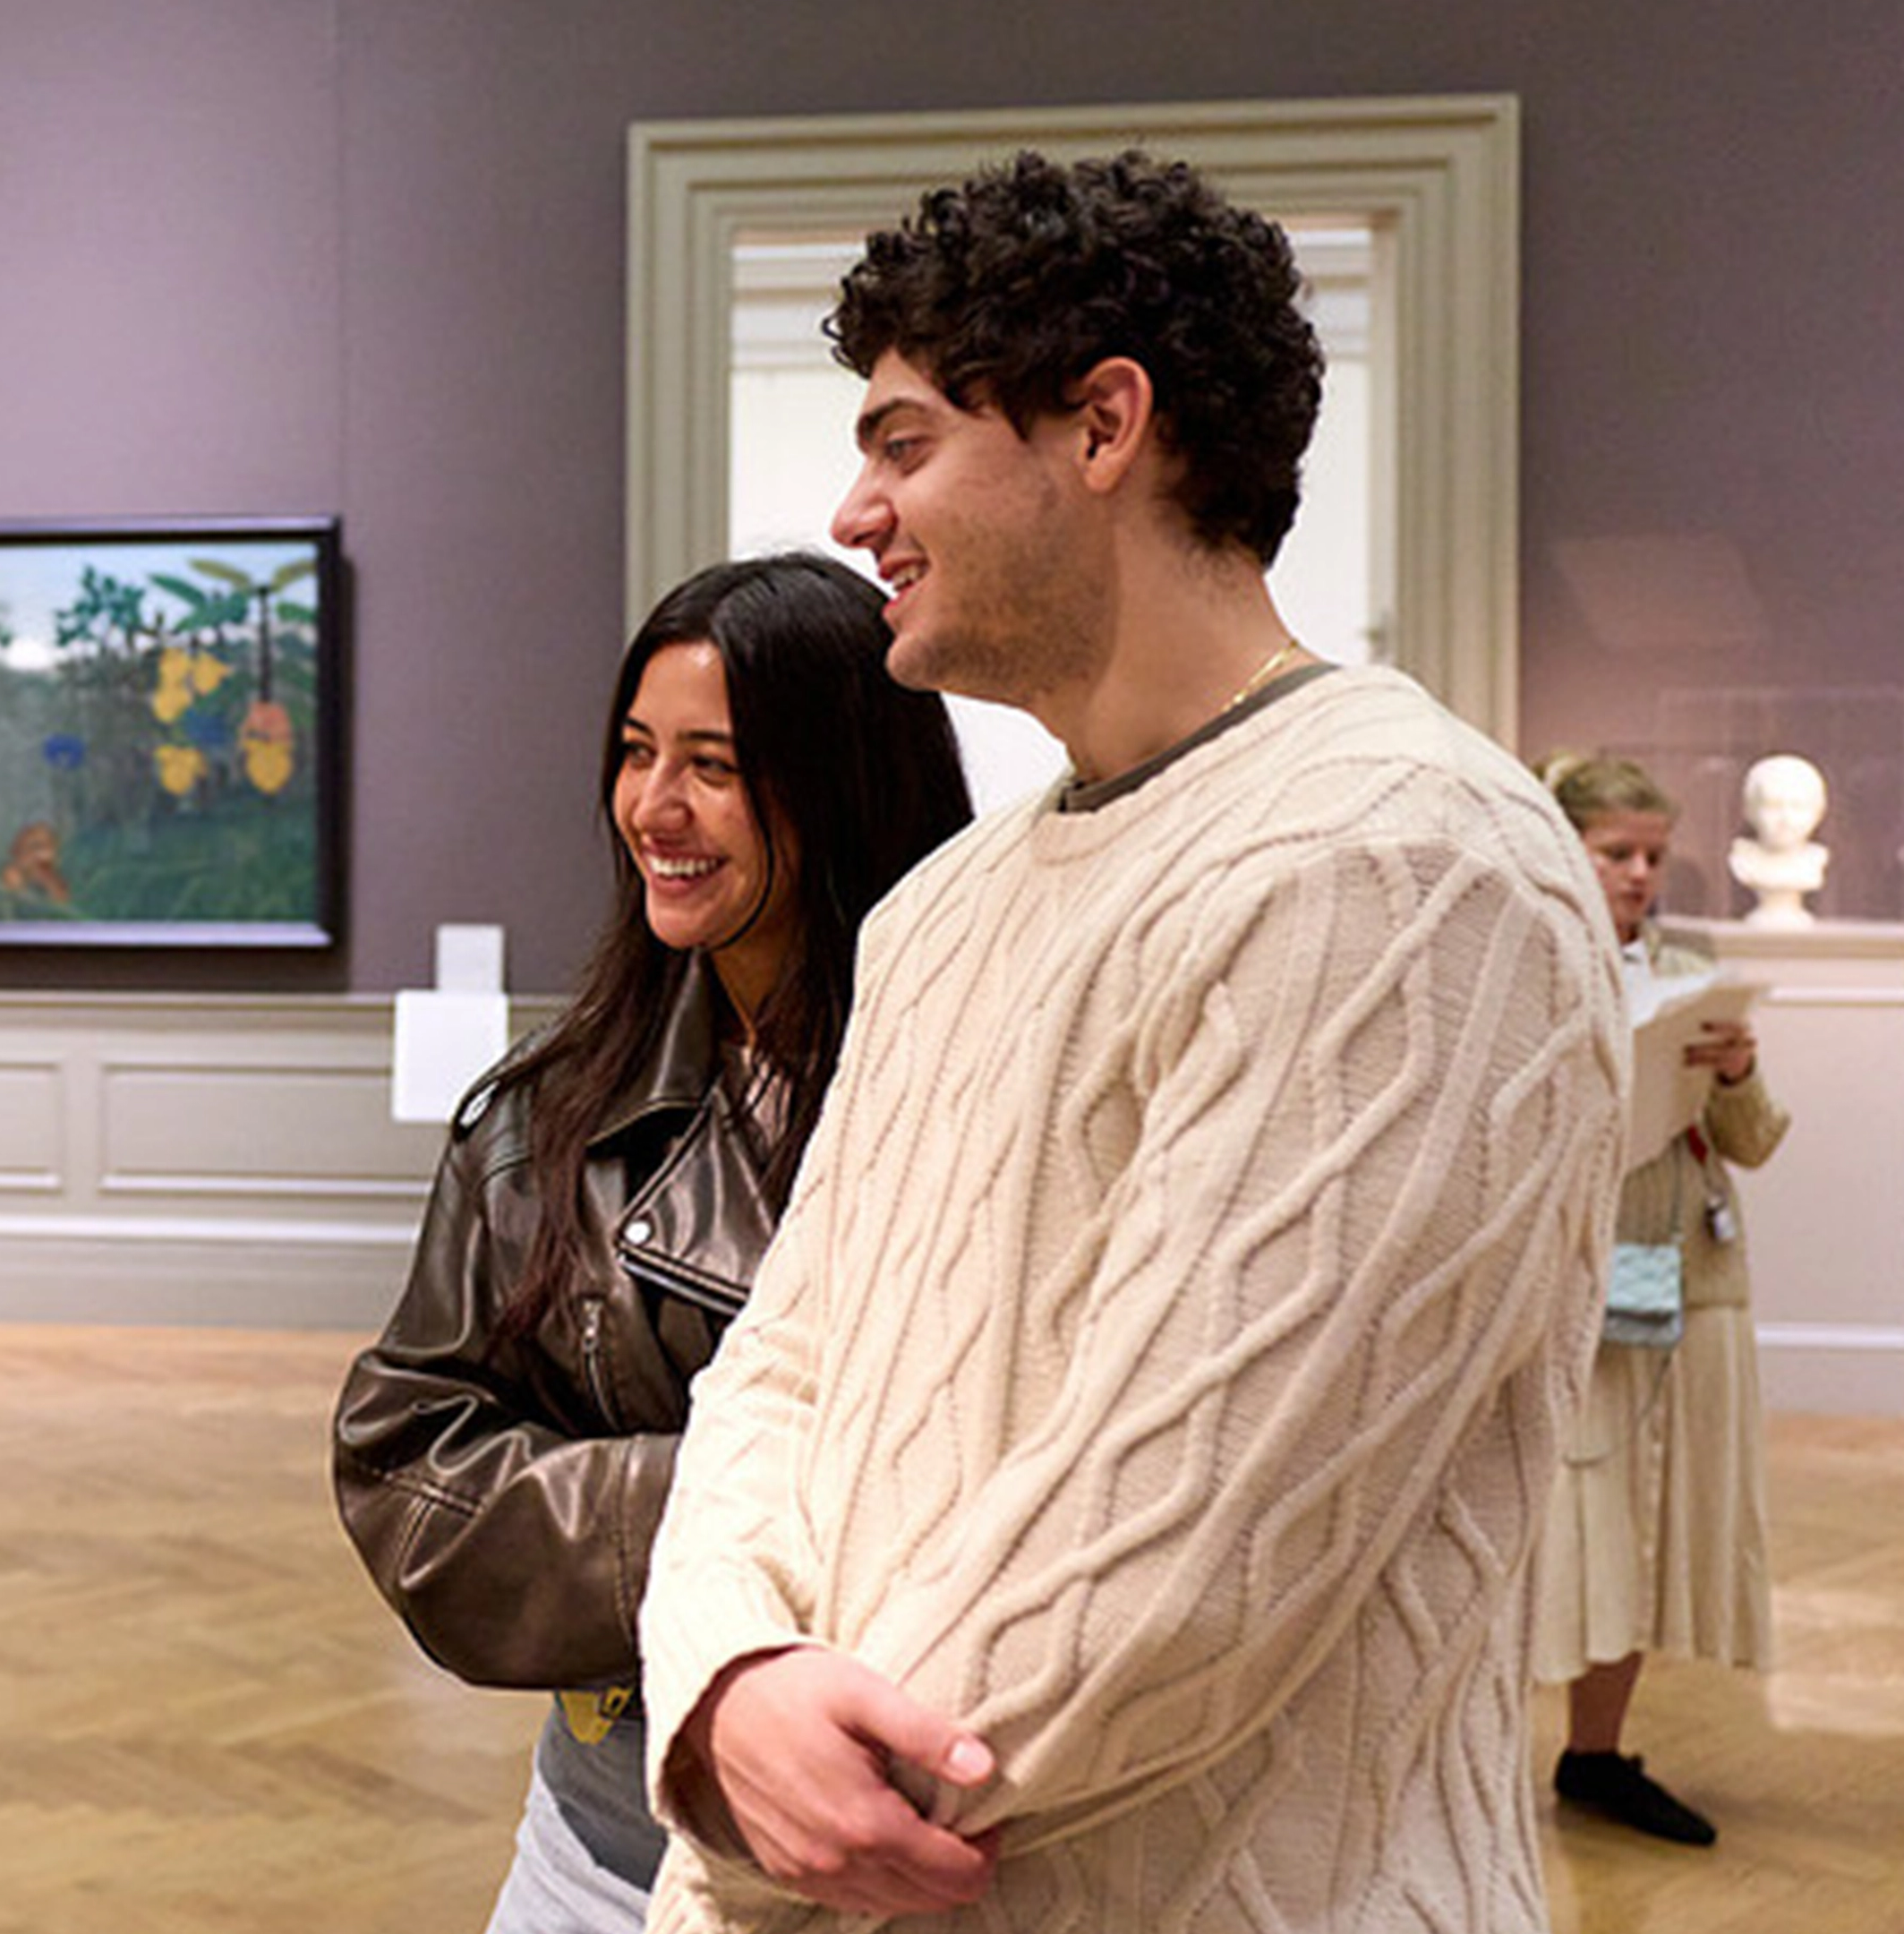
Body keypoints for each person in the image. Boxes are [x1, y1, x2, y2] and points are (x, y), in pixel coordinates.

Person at [634, 150, 1628, 1931]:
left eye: (905, 440)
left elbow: (1188, 1558)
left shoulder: (1408, 862)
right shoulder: (944, 906)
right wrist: (722, 1693)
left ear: (1106, 426)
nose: (855, 513)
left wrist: (777, 1808)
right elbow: (777, 1374)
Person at [333, 553, 971, 1932]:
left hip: (925, 1857)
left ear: (845, 781)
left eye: (716, 766)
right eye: (635, 755)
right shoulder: (544, 1121)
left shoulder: (988, 1090)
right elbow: (409, 1462)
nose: (654, 809)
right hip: (604, 1847)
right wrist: (722, 1511)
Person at [1533, 753, 1789, 1846]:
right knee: (1573, 1522)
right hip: (1571, 1278)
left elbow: (1756, 1144)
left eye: (1652, 855)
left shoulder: (1689, 962)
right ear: (1568, 848)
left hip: (1684, 1272)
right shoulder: (1532, 963)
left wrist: (1734, 1077)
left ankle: (1597, 1753)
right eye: (1616, 853)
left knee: (1641, 1523)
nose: (1639, 875)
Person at [1727, 751, 1829, 924]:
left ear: (1818, 813)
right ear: (1751, 811)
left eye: (1797, 807)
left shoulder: (1816, 860)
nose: (1785, 819)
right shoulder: (1743, 862)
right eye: (1773, 806)